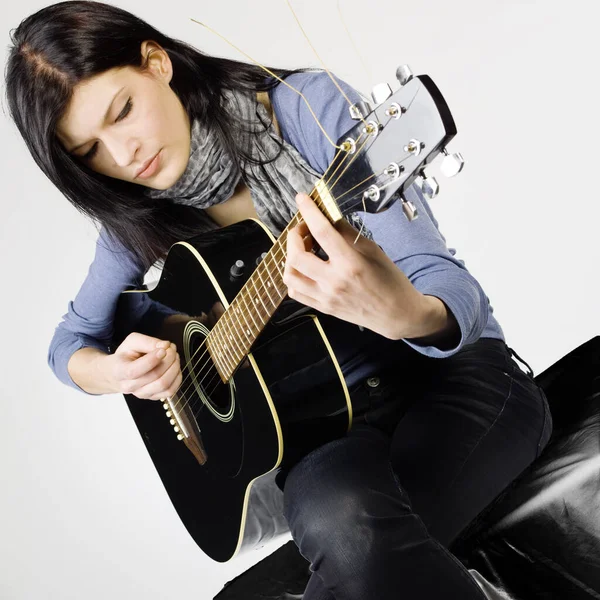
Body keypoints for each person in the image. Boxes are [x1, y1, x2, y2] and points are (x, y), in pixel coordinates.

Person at [5, 1, 553, 598]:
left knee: (350, 561)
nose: (122, 155)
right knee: (337, 527)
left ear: (155, 62)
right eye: (89, 152)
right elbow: (68, 346)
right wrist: (115, 373)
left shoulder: (302, 109)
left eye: (124, 111)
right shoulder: (133, 226)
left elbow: (443, 281)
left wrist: (409, 314)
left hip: (456, 385)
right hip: (327, 433)